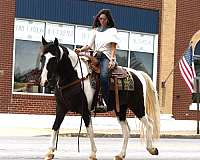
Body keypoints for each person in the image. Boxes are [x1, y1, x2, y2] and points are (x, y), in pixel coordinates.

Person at [75, 9, 118, 107]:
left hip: (106, 57)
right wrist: (80, 50)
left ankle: (104, 100)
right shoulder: (95, 31)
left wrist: (112, 59)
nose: (101, 20)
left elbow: (113, 46)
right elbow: (89, 46)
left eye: (104, 19)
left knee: (103, 76)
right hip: (95, 57)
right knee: (83, 72)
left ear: (108, 20)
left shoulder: (112, 30)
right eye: (100, 18)